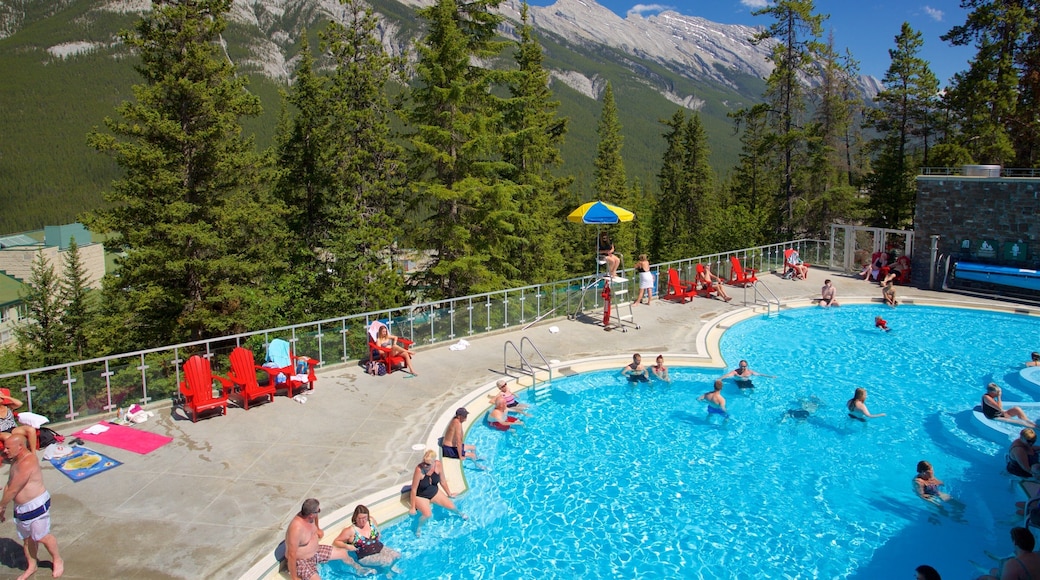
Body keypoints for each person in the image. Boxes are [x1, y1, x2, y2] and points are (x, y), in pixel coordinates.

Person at [0, 434, 63, 580]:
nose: (5, 451)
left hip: (36, 505)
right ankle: (32, 565)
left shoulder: (28, 462)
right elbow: (9, 484)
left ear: (20, 447)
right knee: (27, 539)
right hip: (21, 508)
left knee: (42, 536)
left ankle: (58, 559)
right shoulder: (16, 460)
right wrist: (3, 508)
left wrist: (1, 506)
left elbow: (14, 489)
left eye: (8, 448)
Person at [286, 498, 372, 580]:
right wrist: (294, 578)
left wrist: (317, 528)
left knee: (343, 553)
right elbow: (291, 554)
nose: (319, 512)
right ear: (311, 515)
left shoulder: (309, 515)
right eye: (318, 511)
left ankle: (358, 569)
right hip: (302, 560)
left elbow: (316, 516)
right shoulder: (296, 528)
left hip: (316, 551)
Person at [409, 449, 466, 536]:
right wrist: (412, 507)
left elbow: (442, 481)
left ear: (433, 462)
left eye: (427, 464)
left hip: (434, 491)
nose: (424, 465)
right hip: (421, 496)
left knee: (451, 506)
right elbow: (413, 489)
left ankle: (461, 514)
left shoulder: (438, 465)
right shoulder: (419, 469)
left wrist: (449, 494)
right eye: (423, 462)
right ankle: (419, 527)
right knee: (427, 514)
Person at [332, 504, 401, 570]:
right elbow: (336, 542)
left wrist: (378, 532)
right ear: (355, 518)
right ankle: (386, 572)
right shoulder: (351, 530)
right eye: (359, 518)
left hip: (380, 548)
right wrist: (347, 546)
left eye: (364, 518)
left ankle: (390, 568)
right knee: (387, 561)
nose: (362, 521)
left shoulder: (371, 521)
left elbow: (376, 528)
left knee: (397, 555)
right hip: (365, 556)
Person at [0, 389, 39, 453]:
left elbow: (20, 403)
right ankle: (17, 455)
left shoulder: (9, 407)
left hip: (13, 428)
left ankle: (33, 453)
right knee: (9, 437)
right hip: (1, 432)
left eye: (1, 396)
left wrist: (6, 397)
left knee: (31, 430)